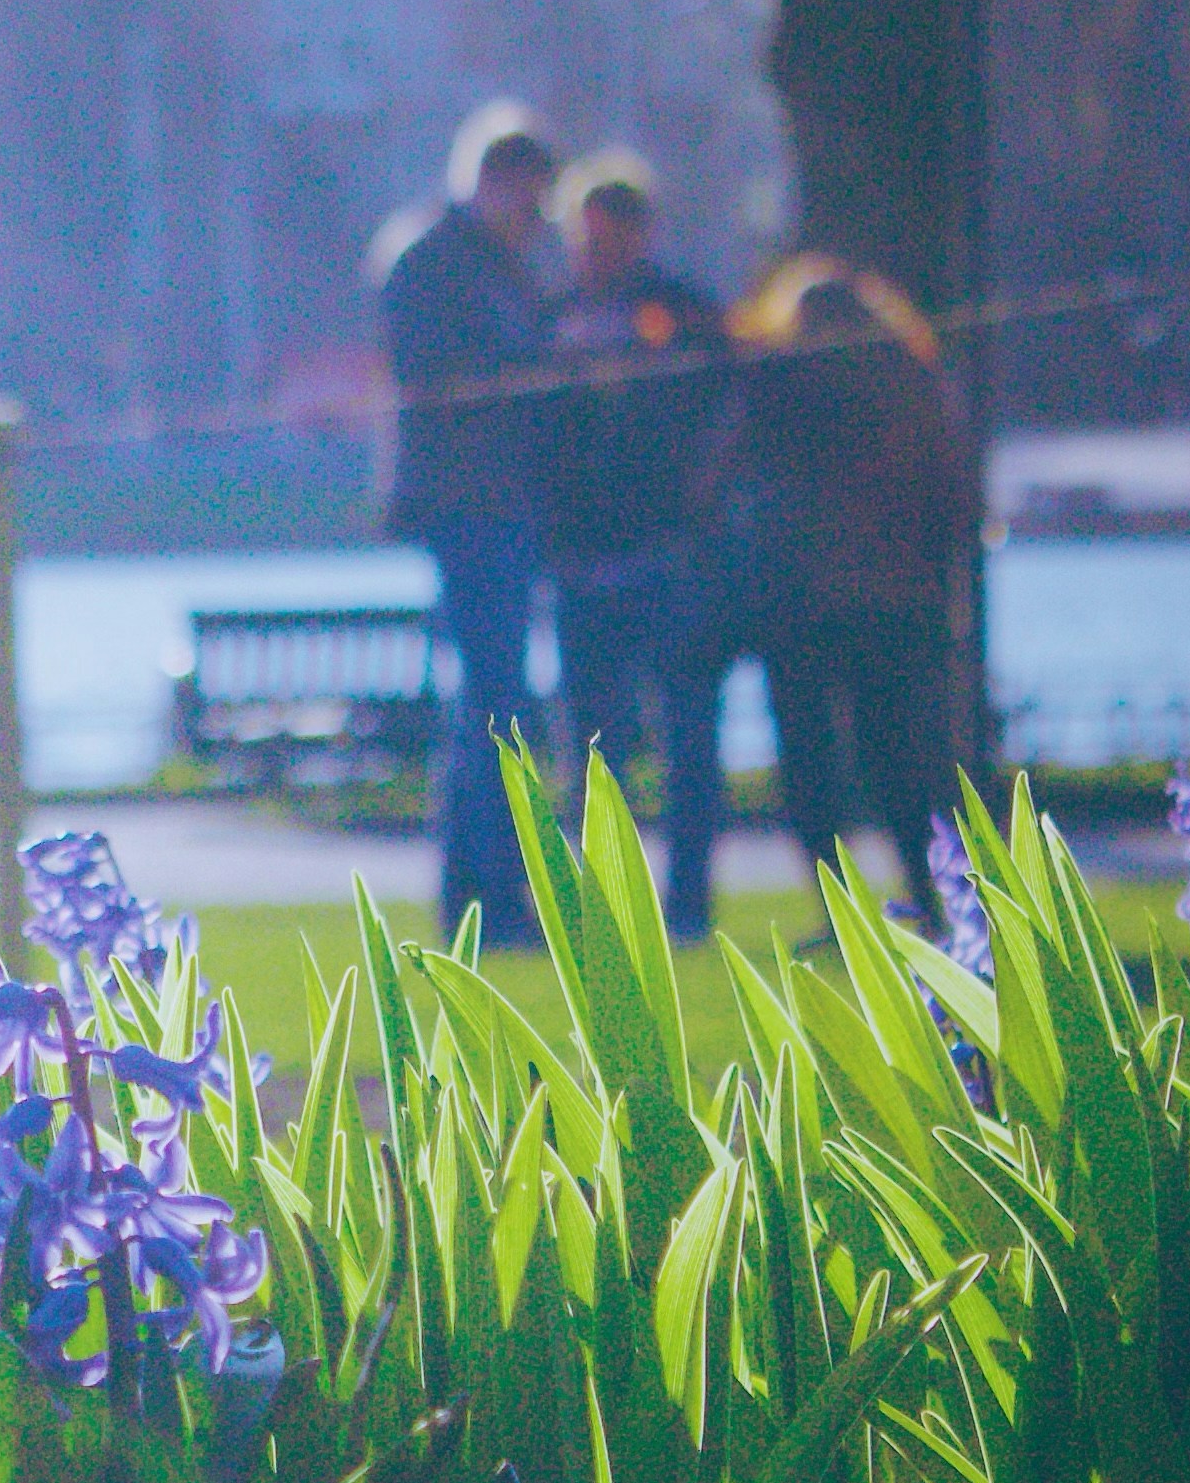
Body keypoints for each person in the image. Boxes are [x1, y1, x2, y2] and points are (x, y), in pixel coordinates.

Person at [729, 266, 975, 899]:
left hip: (822, 603)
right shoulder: (906, 376)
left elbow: (730, 476)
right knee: (896, 758)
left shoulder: (778, 381)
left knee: (827, 763)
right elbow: (953, 492)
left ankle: (856, 901)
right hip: (877, 601)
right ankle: (925, 894)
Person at [372, 116, 558, 945]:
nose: (535, 212)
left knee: (494, 702)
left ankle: (486, 892)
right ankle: (480, 894)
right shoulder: (434, 261)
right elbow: (432, 375)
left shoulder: (489, 261)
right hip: (468, 505)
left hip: (499, 502)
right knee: (491, 702)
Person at [540, 162, 736, 941]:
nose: (598, 251)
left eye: (613, 235)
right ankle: (599, 911)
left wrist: (700, 503)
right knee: (591, 750)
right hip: (582, 564)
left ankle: (688, 906)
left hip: (670, 558)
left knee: (690, 738)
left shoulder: (684, 314)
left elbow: (730, 406)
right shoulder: (549, 320)